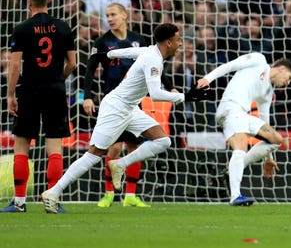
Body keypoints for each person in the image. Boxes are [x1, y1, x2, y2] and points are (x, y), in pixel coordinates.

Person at [40, 23, 185, 214]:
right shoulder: (153, 59)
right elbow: (156, 94)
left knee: (163, 140)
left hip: (130, 108)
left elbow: (128, 52)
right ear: (168, 42)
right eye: (178, 40)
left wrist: (110, 54)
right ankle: (52, 192)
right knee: (93, 154)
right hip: (115, 108)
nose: (180, 44)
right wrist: (184, 96)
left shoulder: (151, 51)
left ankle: (120, 164)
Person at [1, 0, 77, 213]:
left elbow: (14, 66)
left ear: (29, 0)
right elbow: (72, 63)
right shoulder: (63, 27)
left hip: (30, 89)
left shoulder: (22, 28)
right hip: (55, 90)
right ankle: (52, 201)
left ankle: (20, 201)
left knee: (22, 145)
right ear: (49, 0)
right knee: (54, 146)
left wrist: (10, 94)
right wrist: (58, 79)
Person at [193, 52, 291, 206]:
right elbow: (230, 66)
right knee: (240, 147)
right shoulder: (258, 60)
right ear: (281, 69)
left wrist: (268, 159)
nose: (287, 83)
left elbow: (265, 120)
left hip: (242, 115)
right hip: (230, 108)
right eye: (288, 78)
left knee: (276, 139)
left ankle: (232, 169)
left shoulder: (268, 92)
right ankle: (235, 196)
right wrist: (207, 78)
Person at [83, 3, 151, 208]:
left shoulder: (139, 40)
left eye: (113, 14)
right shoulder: (103, 42)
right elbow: (90, 69)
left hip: (135, 102)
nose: (110, 18)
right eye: (107, 15)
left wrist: (170, 87)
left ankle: (130, 195)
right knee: (113, 148)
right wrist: (87, 96)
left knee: (134, 147)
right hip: (112, 102)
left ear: (124, 15)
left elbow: (153, 66)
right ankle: (109, 193)